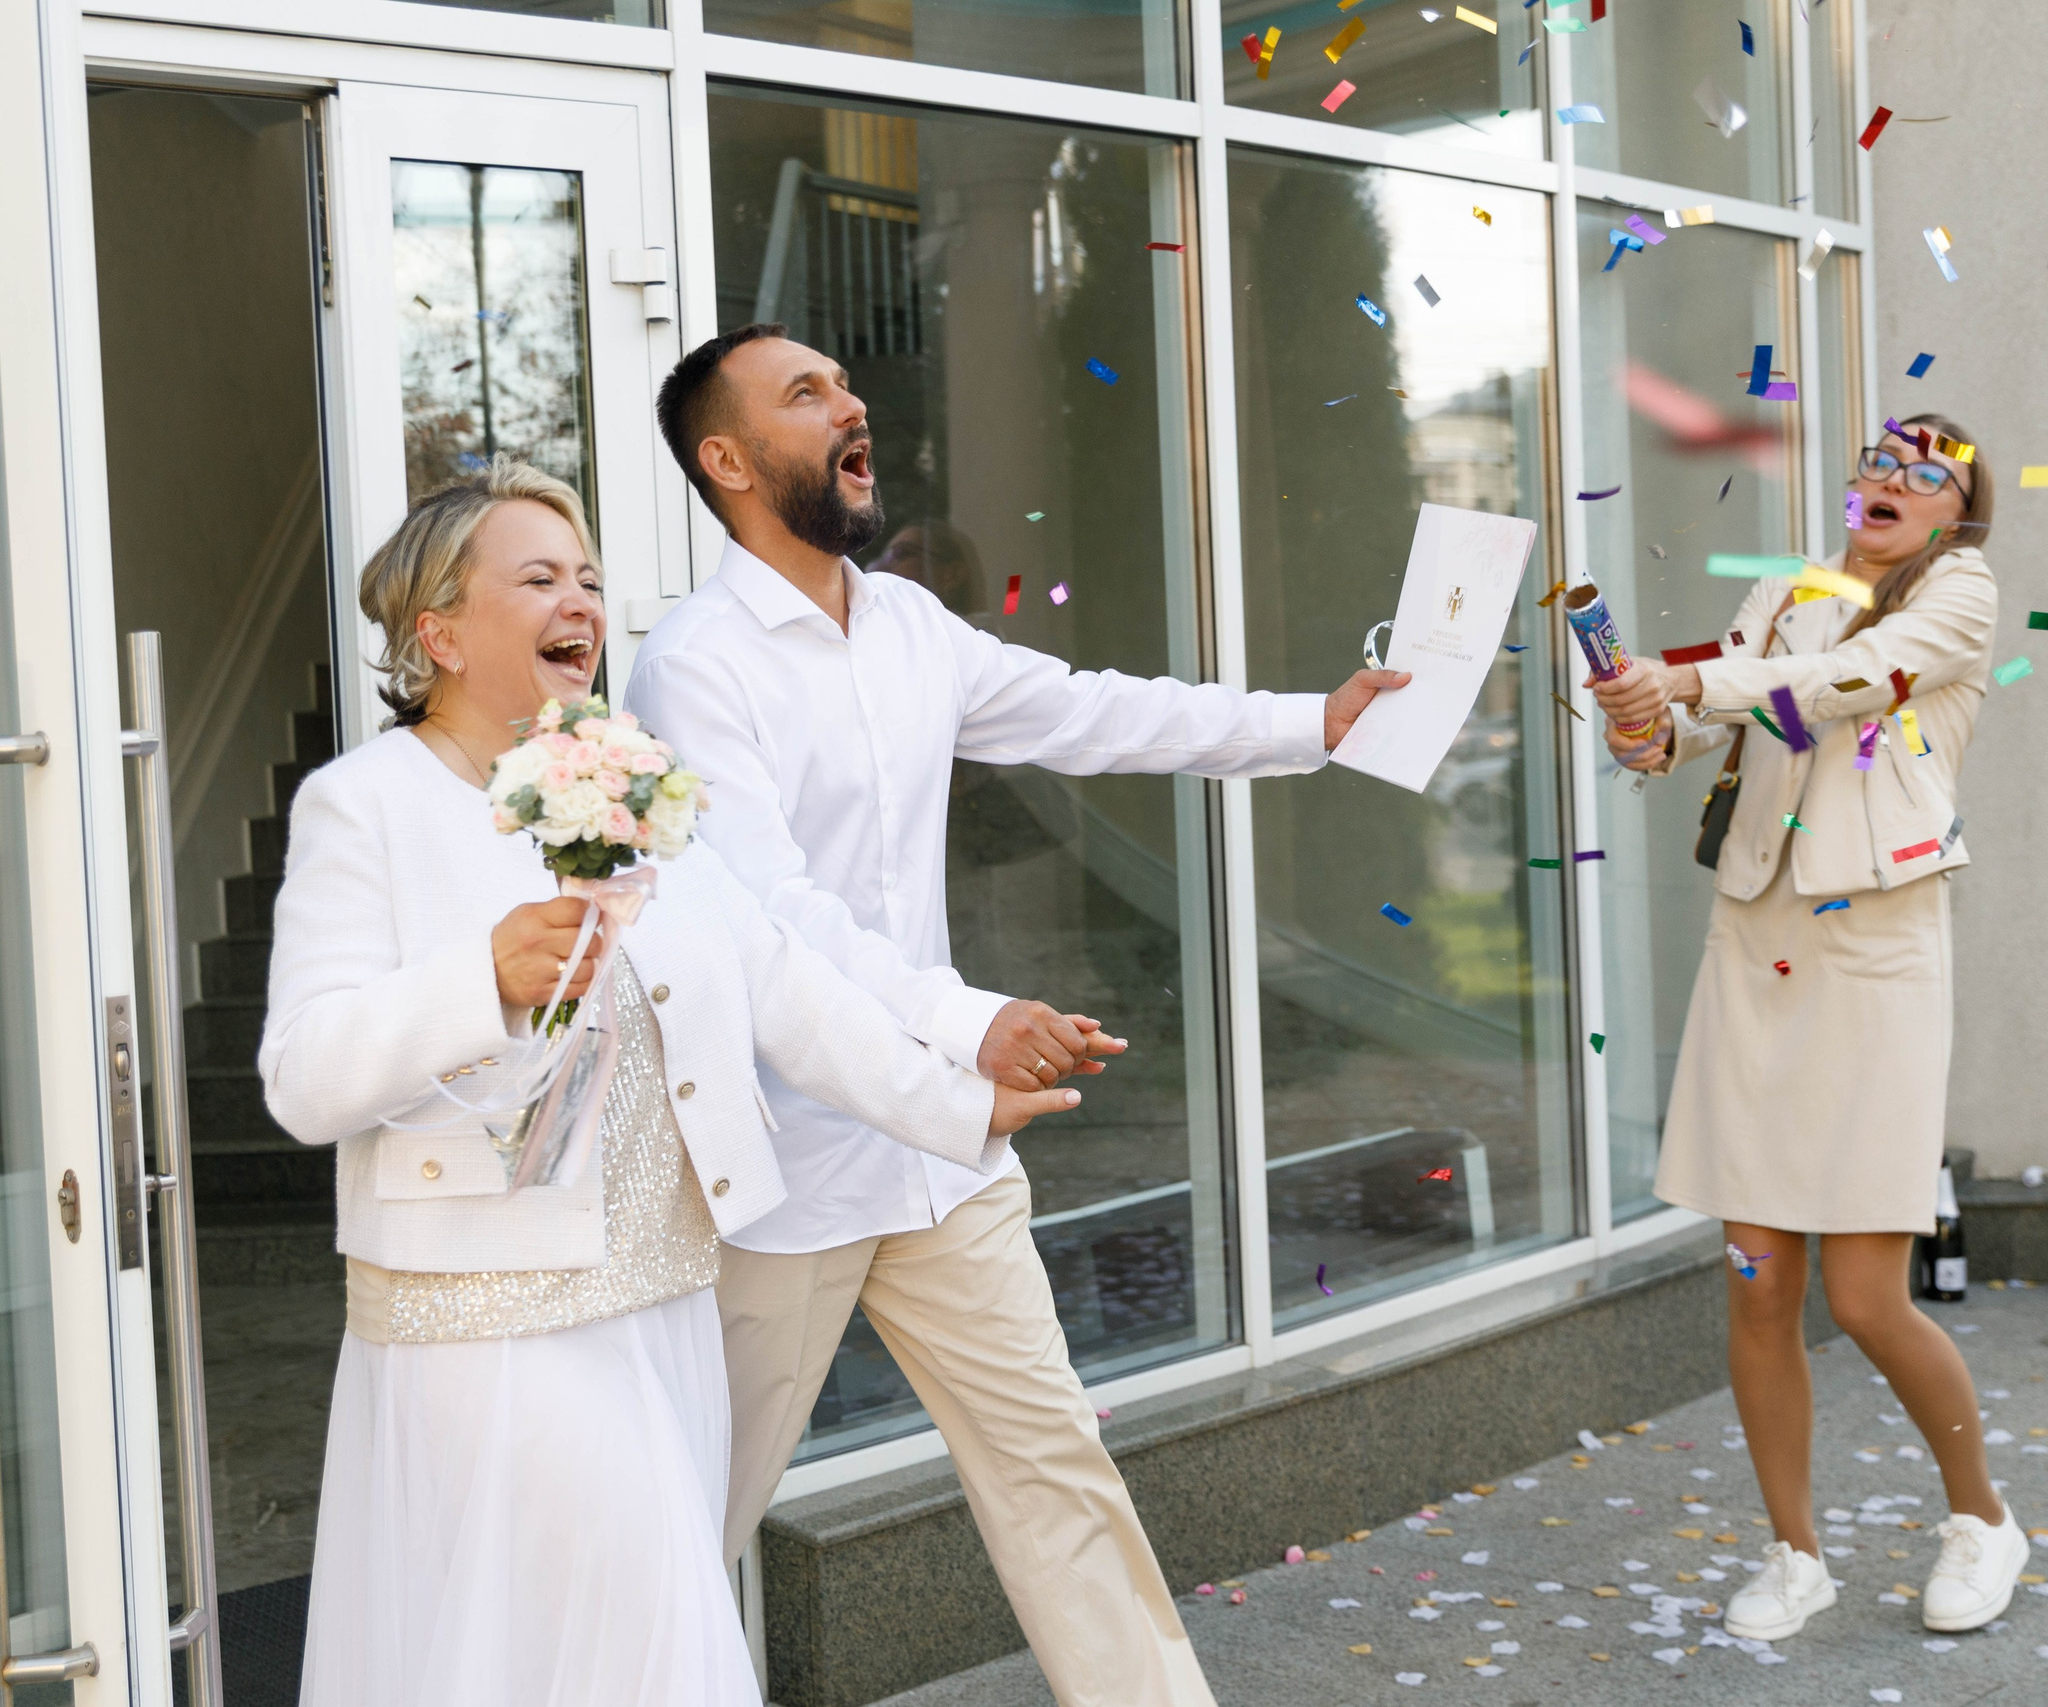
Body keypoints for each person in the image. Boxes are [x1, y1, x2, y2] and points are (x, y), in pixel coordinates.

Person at [626, 324, 1409, 1707]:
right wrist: (972, 1020)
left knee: (1057, 1463)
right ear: (729, 459)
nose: (852, 402)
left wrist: (1314, 722)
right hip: (780, 1166)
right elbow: (777, 915)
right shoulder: (694, 665)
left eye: (845, 382)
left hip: (941, 1156)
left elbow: (1095, 712)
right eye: (806, 392)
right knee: (694, 1506)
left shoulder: (914, 626)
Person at [262, 457, 1078, 1707]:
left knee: (603, 1649)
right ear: (438, 632)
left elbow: (782, 987)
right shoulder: (362, 807)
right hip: (488, 1330)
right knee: (633, 1644)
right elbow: (302, 1081)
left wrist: (957, 1103)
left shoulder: (627, 787)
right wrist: (477, 977)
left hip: (661, 1306)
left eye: (589, 578)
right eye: (537, 578)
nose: (580, 602)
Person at [1586, 414, 2018, 1643]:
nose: (1889, 480)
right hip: (1755, 949)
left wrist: (1691, 682)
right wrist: (1640, 721)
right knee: (1757, 1280)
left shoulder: (1961, 599)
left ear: (1958, 512)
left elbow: (1836, 689)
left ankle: (1980, 1518)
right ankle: (1794, 1554)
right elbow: (1698, 735)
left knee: (1870, 1297)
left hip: (1875, 951)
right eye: (1878, 462)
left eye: (1925, 473)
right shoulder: (1783, 591)